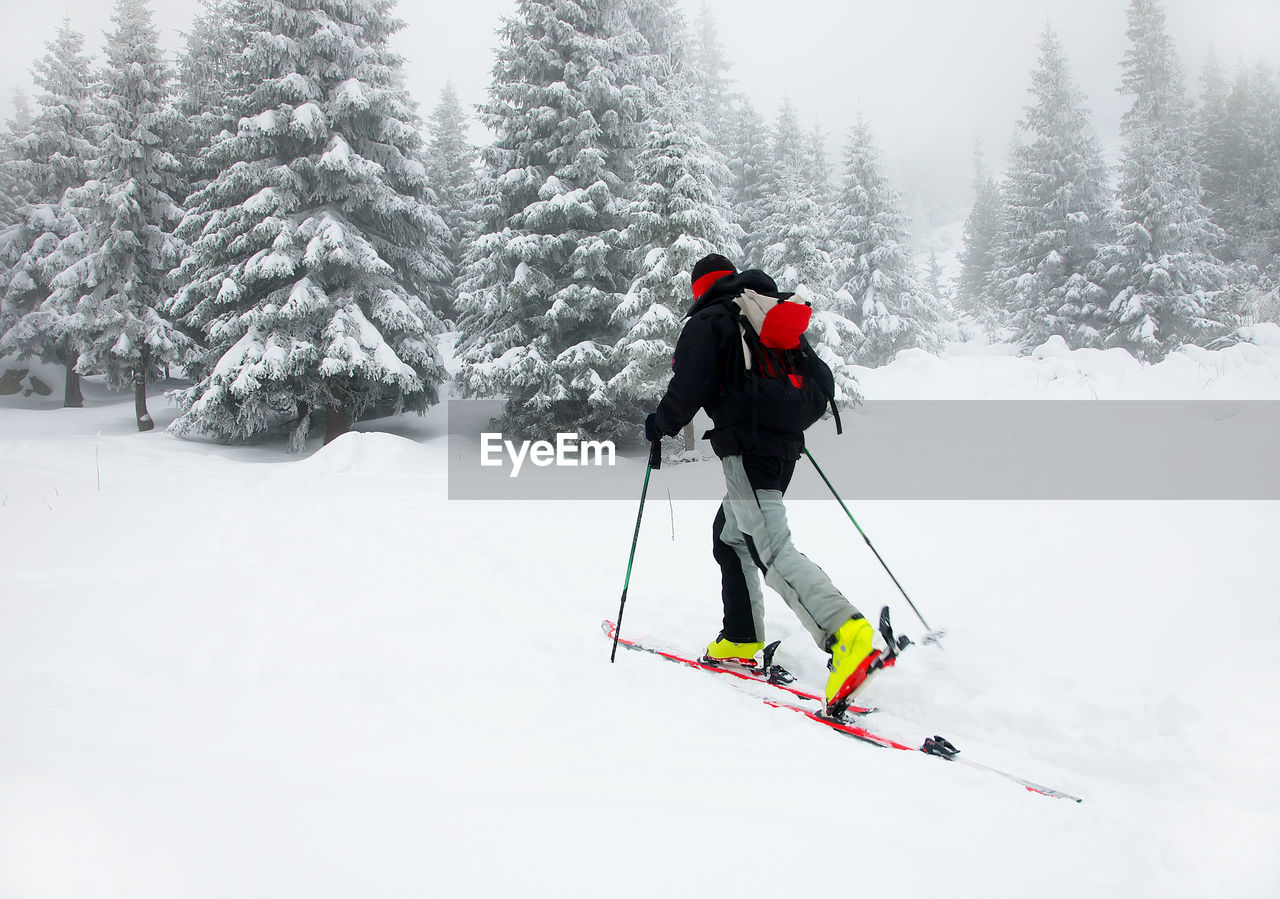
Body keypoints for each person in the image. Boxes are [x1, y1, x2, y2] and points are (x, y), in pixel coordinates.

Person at [644, 253, 882, 712]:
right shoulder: (760, 311)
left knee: (769, 547)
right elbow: (816, 380)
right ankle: (740, 637)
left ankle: (846, 635)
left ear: (699, 288)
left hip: (747, 448)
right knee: (731, 535)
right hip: (782, 446)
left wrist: (659, 425)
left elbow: (688, 386)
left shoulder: (710, 320)